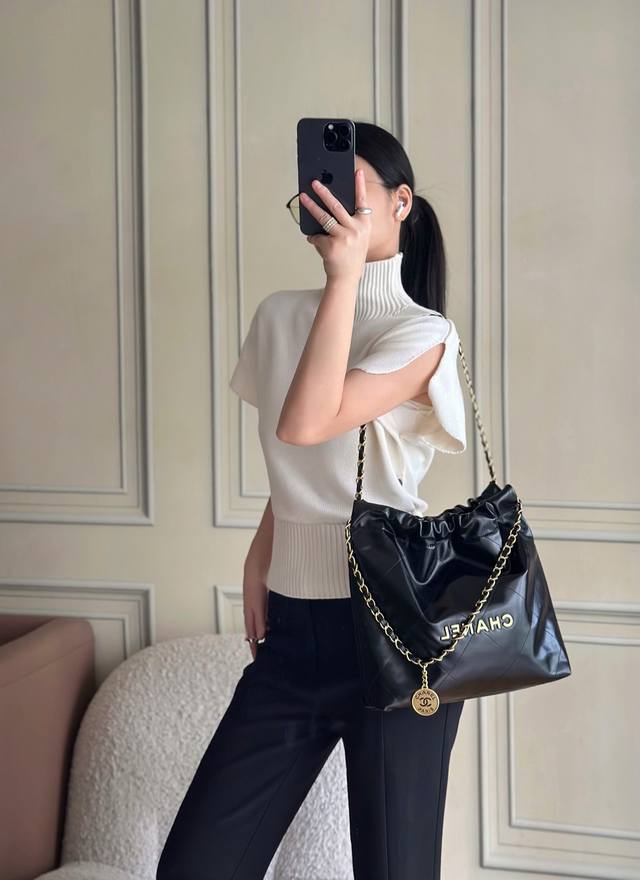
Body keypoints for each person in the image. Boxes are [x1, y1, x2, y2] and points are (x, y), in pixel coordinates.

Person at [156, 121, 468, 880]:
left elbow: (307, 421)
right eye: (321, 189)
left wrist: (343, 279)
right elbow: (300, 462)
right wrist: (263, 553)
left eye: (353, 193)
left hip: (395, 632)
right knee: (197, 865)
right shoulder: (278, 316)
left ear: (402, 204)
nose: (332, 205)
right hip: (294, 632)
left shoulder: (423, 333)